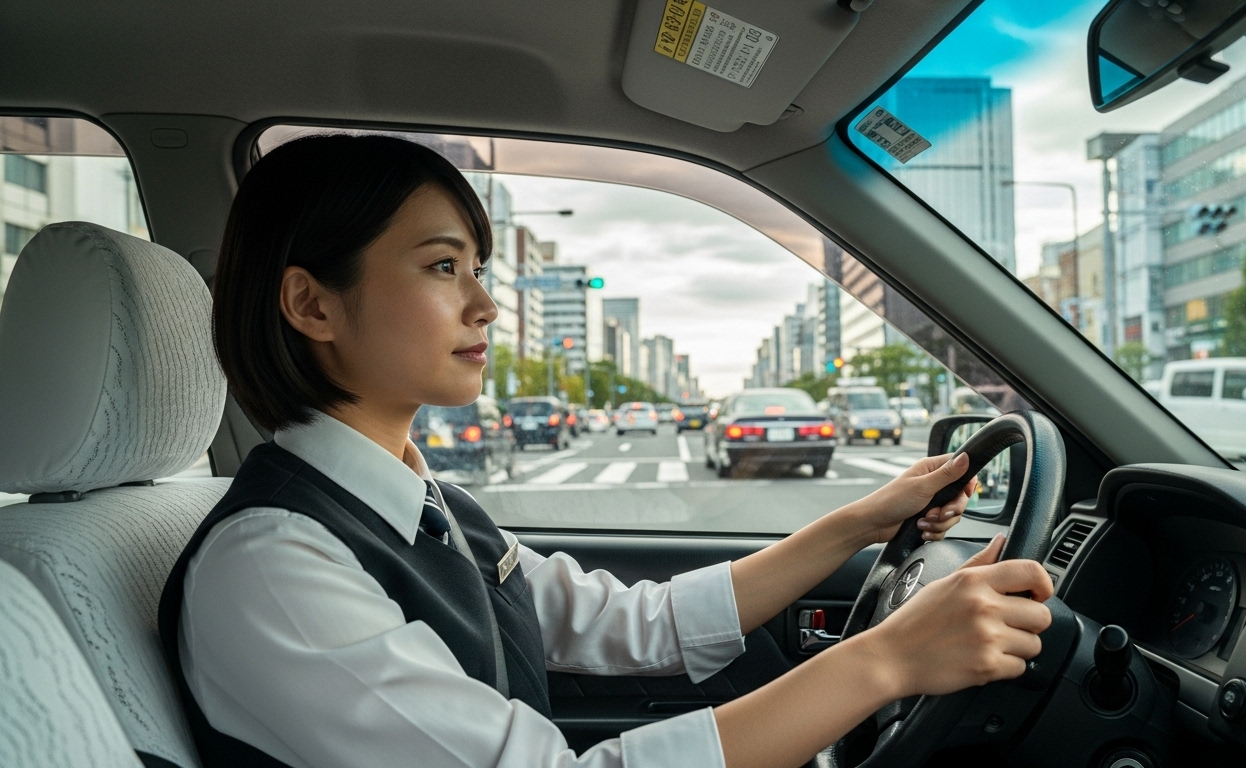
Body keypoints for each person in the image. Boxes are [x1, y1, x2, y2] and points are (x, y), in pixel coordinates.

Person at [158, 134, 1054, 768]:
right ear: (311, 305)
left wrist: (859, 521)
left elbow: (638, 624)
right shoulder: (275, 565)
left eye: (480, 268)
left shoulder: (418, 507)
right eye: (442, 267)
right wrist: (887, 660)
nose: (485, 305)